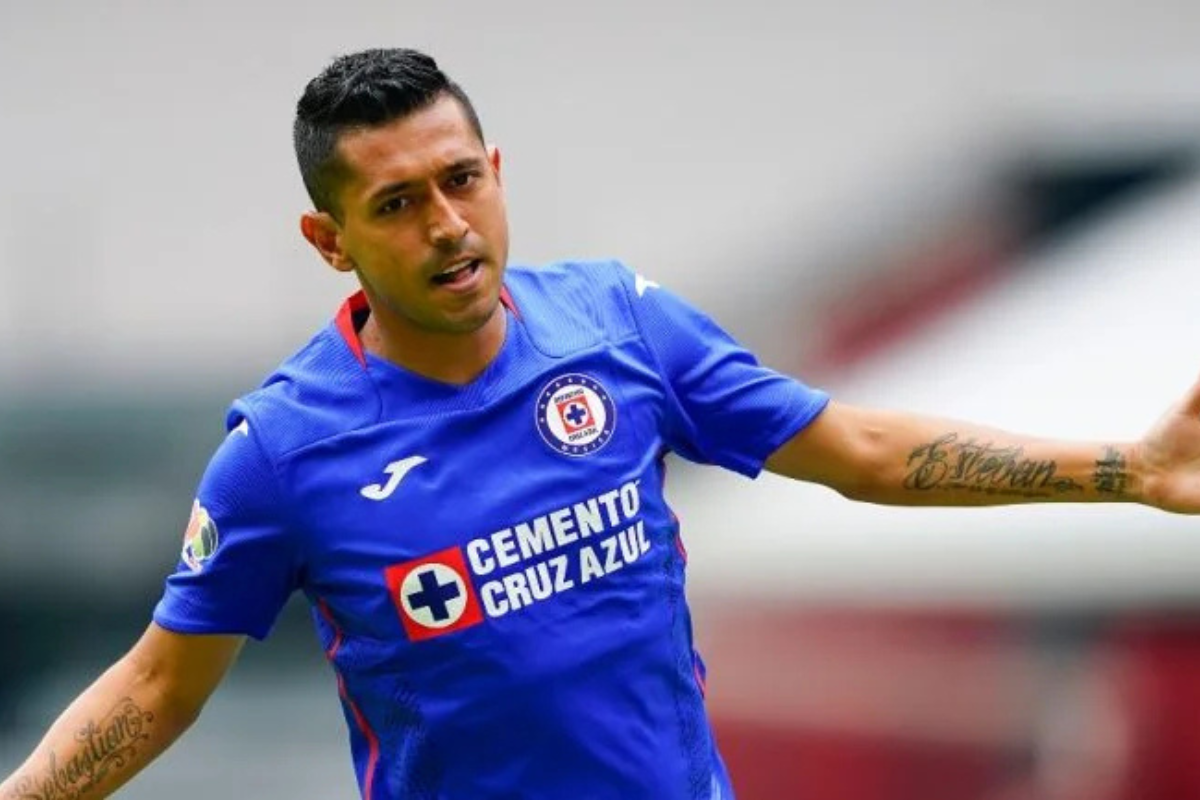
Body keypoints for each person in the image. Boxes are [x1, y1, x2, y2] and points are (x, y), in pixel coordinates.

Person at [2, 46, 1198, 800]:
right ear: (331, 239)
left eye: (461, 179)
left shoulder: (620, 325)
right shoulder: (283, 450)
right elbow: (158, 686)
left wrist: (1129, 467)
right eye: (397, 202)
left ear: (495, 169)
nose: (447, 224)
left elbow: (858, 449)